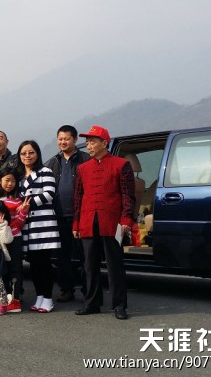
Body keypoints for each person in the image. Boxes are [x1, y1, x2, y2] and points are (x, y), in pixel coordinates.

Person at [73, 125, 135, 320]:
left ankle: (119, 305)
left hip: (113, 222)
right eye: (87, 142)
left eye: (92, 142)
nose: (89, 146)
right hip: (88, 221)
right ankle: (92, 303)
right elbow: (78, 198)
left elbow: (128, 196)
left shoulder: (121, 165)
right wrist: (76, 223)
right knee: (89, 265)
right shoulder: (82, 168)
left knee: (115, 265)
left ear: (104, 143)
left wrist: (126, 219)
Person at [43, 125, 91, 303]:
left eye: (67, 139)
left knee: (85, 255)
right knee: (62, 256)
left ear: (75, 140)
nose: (63, 142)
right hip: (59, 216)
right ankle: (67, 289)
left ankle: (88, 291)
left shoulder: (85, 159)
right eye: (60, 139)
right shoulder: (53, 162)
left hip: (82, 215)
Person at [15, 140, 61, 313]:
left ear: (37, 154)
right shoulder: (20, 177)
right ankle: (40, 296)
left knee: (44, 263)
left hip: (43, 224)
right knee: (34, 264)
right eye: (23, 153)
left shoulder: (45, 171)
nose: (27, 156)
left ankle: (48, 298)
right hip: (27, 226)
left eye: (31, 152)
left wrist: (27, 205)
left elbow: (49, 194)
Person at [0, 168, 30, 312]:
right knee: (1, 268)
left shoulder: (18, 200)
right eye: (7, 180)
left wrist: (23, 211)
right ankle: (4, 299)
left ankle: (15, 301)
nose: (10, 184)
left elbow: (19, 223)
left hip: (14, 238)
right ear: (0, 181)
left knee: (15, 268)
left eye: (13, 181)